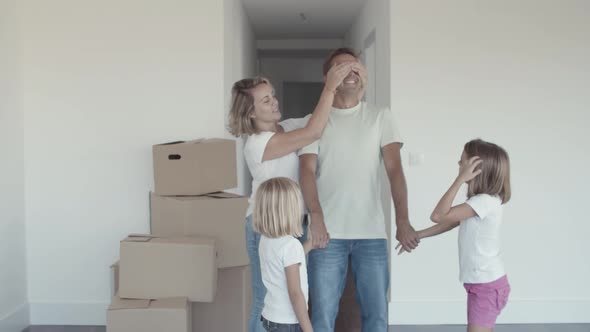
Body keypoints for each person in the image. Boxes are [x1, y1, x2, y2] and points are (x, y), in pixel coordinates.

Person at [298, 47, 419, 332]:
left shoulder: (381, 116)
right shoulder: (314, 121)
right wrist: (315, 216)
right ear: (328, 77)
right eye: (341, 67)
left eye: (356, 67)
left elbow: (395, 172)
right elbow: (306, 171)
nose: (350, 72)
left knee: (376, 315)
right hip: (325, 234)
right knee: (322, 315)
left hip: (371, 233)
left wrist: (402, 220)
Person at [228, 62, 355, 332]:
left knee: (289, 296)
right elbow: (313, 132)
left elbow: (321, 118)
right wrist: (329, 86)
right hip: (265, 226)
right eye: (266, 100)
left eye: (272, 95)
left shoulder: (285, 129)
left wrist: (349, 86)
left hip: (289, 223)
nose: (274, 101)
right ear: (250, 112)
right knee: (266, 300)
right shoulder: (258, 143)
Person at [398, 139, 511, 332]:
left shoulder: (484, 201)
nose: (458, 165)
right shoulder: (479, 202)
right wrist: (419, 235)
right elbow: (450, 221)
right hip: (482, 284)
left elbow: (438, 215)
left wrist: (459, 180)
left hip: (486, 285)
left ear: (476, 169)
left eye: (462, 162)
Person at [253, 177, 314, 332]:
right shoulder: (290, 245)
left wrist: (310, 245)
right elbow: (295, 293)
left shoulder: (266, 240)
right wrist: (308, 329)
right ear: (288, 211)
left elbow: (284, 262)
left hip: (271, 316)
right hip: (288, 322)